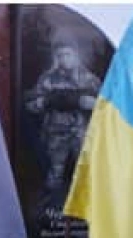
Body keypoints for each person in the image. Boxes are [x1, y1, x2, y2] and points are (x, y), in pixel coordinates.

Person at [25, 39, 101, 215]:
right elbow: (30, 104)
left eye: (68, 54)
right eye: (60, 55)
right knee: (53, 177)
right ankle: (50, 213)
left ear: (76, 56)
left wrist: (92, 104)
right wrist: (42, 103)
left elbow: (109, 107)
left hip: (81, 135)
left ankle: (89, 213)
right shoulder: (48, 79)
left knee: (86, 173)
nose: (64, 59)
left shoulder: (89, 79)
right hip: (56, 136)